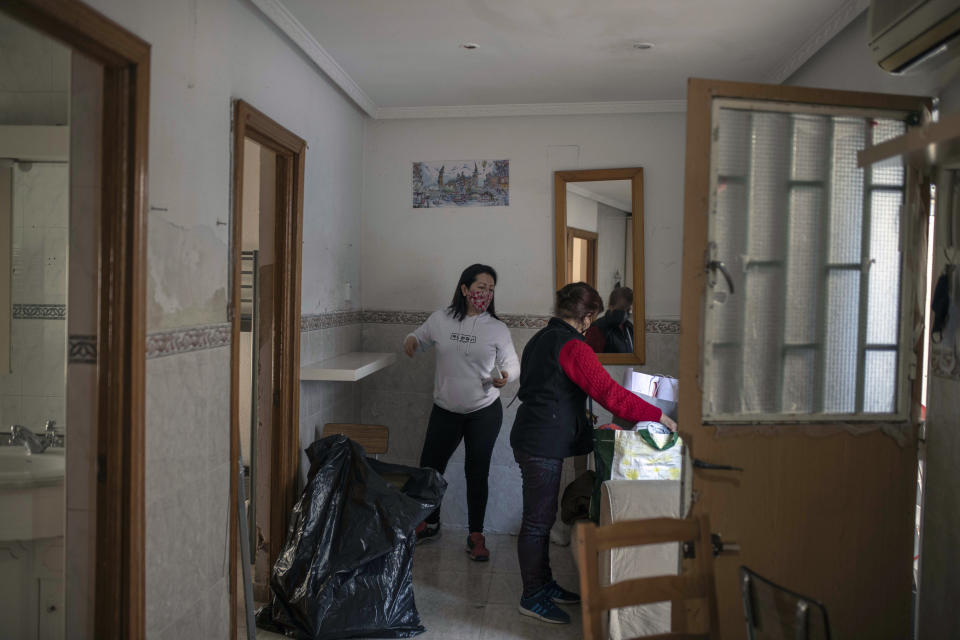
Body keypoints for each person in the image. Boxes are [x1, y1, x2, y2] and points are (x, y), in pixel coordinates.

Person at [510, 282, 677, 624]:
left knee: (540, 520)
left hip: (533, 435)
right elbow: (610, 393)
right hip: (541, 441)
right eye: (592, 318)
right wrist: (660, 415)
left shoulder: (541, 338)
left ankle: (544, 585)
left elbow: (551, 389)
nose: (592, 324)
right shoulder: (573, 346)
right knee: (537, 522)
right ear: (586, 317)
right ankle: (532, 595)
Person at [402, 264, 521, 561]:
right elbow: (419, 336)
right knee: (430, 470)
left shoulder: (496, 328)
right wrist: (412, 340)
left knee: (476, 472)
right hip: (445, 410)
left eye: (490, 288)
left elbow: (512, 363)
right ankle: (430, 523)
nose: (486, 293)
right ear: (465, 289)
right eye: (480, 287)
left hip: (483, 411)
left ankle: (476, 534)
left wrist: (506, 375)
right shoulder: (441, 319)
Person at [585, 286, 634, 353]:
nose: (625, 313)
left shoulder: (629, 327)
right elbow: (591, 356)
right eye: (622, 308)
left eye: (628, 309)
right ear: (611, 306)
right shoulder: (597, 328)